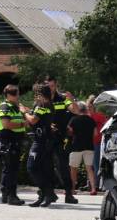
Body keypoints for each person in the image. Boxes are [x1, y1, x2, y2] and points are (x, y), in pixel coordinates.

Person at [41, 74, 77, 204]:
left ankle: (69, 194)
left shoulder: (62, 98)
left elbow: (75, 110)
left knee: (63, 166)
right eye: (47, 86)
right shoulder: (42, 100)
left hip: (59, 137)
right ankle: (48, 193)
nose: (50, 88)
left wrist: (72, 100)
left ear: (56, 85)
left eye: (51, 86)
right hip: (45, 138)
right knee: (46, 166)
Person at [20, 83, 57, 207]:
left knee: (32, 167)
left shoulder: (42, 104)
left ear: (40, 94)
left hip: (41, 141)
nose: (35, 97)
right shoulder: (49, 105)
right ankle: (45, 194)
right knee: (43, 168)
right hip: (46, 140)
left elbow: (33, 120)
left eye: (36, 94)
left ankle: (47, 193)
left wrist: (24, 112)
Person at [0, 84, 26, 205]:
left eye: (17, 93)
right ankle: (11, 195)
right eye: (15, 94)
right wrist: (23, 124)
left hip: (14, 141)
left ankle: (7, 195)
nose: (18, 96)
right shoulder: (4, 107)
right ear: (8, 95)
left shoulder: (14, 107)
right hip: (8, 142)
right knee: (11, 169)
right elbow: (6, 124)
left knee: (11, 168)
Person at [67, 101, 99, 195]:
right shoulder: (91, 120)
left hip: (76, 146)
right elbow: (95, 134)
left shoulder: (73, 119)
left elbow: (69, 131)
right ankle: (93, 189)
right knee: (89, 168)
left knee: (73, 169)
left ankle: (72, 189)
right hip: (89, 146)